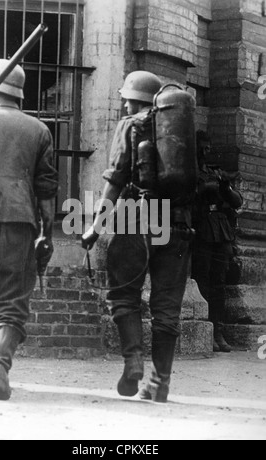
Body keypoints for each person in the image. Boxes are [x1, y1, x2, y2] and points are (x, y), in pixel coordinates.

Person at [82, 71, 193, 403]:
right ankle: (160, 383)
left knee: (123, 296)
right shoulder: (181, 130)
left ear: (130, 99)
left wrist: (95, 226)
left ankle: (133, 361)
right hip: (178, 225)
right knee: (167, 308)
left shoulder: (130, 125)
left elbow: (115, 179)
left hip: (136, 219)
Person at [0, 59, 58, 400]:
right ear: (19, 94)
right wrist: (47, 231)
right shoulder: (38, 130)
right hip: (19, 221)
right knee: (12, 299)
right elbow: (47, 189)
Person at [192, 130, 243, 353]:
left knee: (219, 283)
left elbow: (236, 201)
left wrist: (224, 187)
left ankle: (218, 331)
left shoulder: (215, 173)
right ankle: (207, 329)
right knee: (203, 278)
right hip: (202, 229)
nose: (205, 151)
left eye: (207, 147)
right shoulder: (189, 173)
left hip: (220, 231)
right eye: (201, 147)